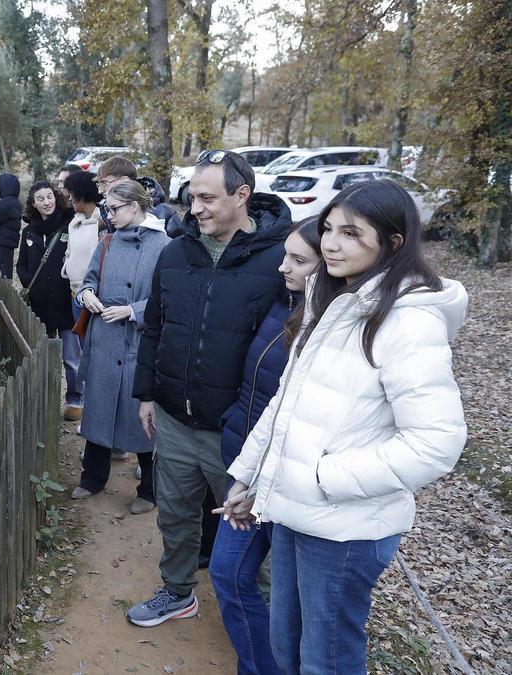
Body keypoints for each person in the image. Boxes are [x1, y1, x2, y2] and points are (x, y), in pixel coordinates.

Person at [219, 180, 468, 673]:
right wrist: (249, 474)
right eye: (329, 228)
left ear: (393, 243)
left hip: (344, 529)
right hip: (294, 510)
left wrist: (321, 479)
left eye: (351, 233)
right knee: (285, 645)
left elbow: (437, 442)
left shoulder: (408, 323)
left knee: (325, 660)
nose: (330, 243)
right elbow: (286, 404)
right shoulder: (331, 301)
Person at [128, 150, 290, 627]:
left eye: (206, 198)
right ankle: (178, 591)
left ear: (242, 195)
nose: (194, 208)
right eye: (191, 197)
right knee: (175, 514)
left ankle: (264, 617)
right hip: (176, 419)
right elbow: (154, 327)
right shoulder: (176, 252)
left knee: (250, 527)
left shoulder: (281, 261)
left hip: (239, 431)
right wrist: (145, 393)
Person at [209, 217, 321, 675]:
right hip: (251, 467)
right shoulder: (285, 302)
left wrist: (265, 485)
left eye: (298, 260)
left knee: (293, 607)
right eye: (284, 256)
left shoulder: (330, 330)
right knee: (227, 573)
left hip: (290, 485)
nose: (283, 268)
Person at [70, 181, 168, 513]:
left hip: (138, 342)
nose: (109, 215)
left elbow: (166, 298)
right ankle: (92, 478)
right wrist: (87, 296)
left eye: (114, 209)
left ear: (136, 206)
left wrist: (132, 310)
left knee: (140, 417)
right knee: (98, 409)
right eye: (107, 209)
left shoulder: (164, 245)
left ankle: (150, 491)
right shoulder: (107, 241)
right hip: (104, 338)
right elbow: (88, 280)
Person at [16, 181, 78, 380]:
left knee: (72, 358)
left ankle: (75, 399)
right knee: (46, 358)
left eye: (49, 197)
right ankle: (50, 396)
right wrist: (31, 285)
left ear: (56, 197)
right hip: (40, 303)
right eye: (40, 199)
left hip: (66, 302)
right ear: (33, 204)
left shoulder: (70, 226)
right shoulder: (29, 232)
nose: (46, 202)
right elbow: (21, 264)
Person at [59, 171, 104, 422]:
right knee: (83, 355)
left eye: (73, 196)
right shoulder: (74, 221)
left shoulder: (103, 223)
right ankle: (87, 407)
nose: (71, 201)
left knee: (93, 355)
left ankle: (94, 411)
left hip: (93, 297)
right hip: (74, 292)